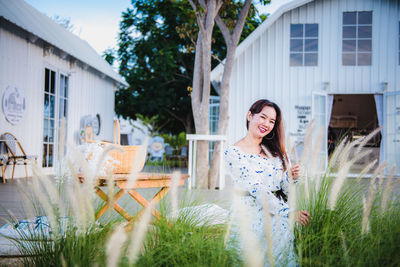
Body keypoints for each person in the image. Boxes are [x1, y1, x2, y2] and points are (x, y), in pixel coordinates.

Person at [224, 99, 311, 266]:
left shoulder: (275, 151)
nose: (267, 124)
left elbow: (282, 189)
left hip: (275, 207)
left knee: (285, 228)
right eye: (263, 117)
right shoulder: (234, 152)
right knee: (280, 228)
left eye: (272, 121)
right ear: (250, 115)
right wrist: (289, 212)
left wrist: (291, 178)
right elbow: (257, 189)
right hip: (249, 211)